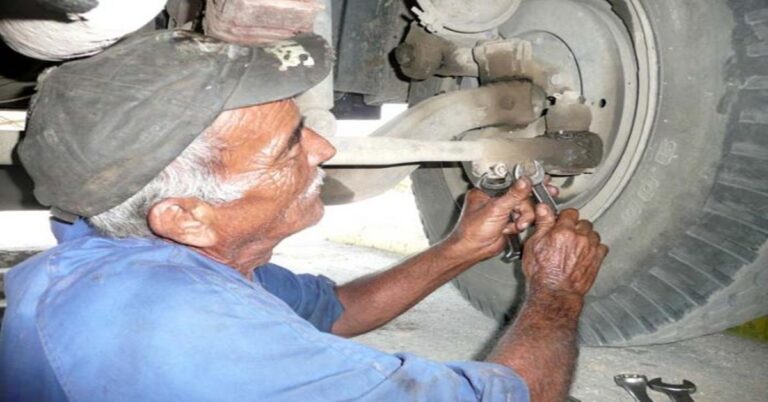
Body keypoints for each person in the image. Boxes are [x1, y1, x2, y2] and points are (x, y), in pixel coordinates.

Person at [0, 30, 607, 402]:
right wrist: (556, 292)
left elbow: (335, 310)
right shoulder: (182, 332)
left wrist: (459, 248)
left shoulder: (146, 261)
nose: (323, 149)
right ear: (185, 216)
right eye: (289, 146)